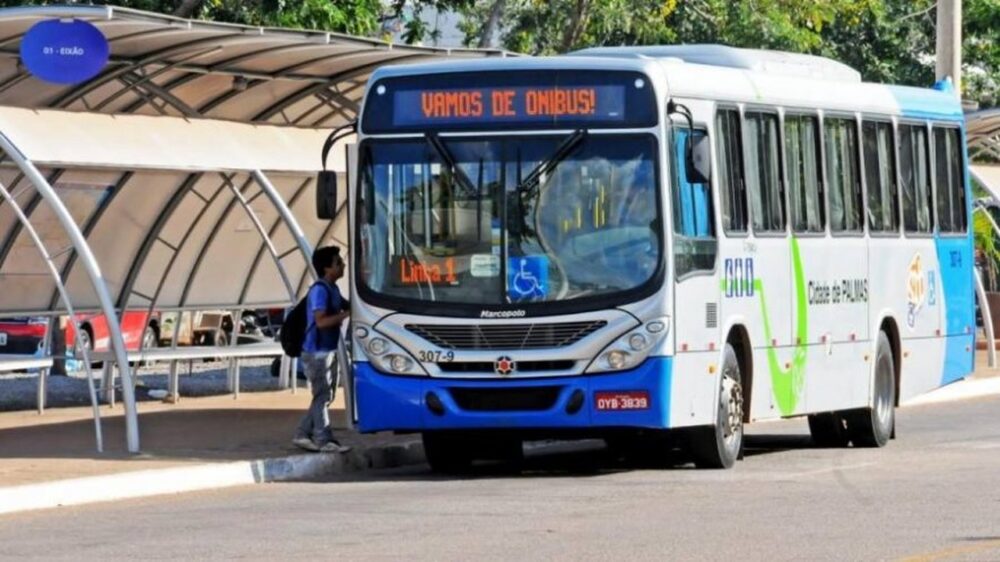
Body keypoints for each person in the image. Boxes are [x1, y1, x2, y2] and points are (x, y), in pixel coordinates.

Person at [292, 246, 352, 453]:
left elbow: (349, 305)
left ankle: (302, 434)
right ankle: (323, 439)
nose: (343, 265)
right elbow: (321, 322)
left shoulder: (333, 289)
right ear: (327, 268)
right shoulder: (320, 290)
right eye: (338, 262)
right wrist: (345, 316)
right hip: (316, 352)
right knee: (322, 395)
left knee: (325, 395)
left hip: (327, 350)